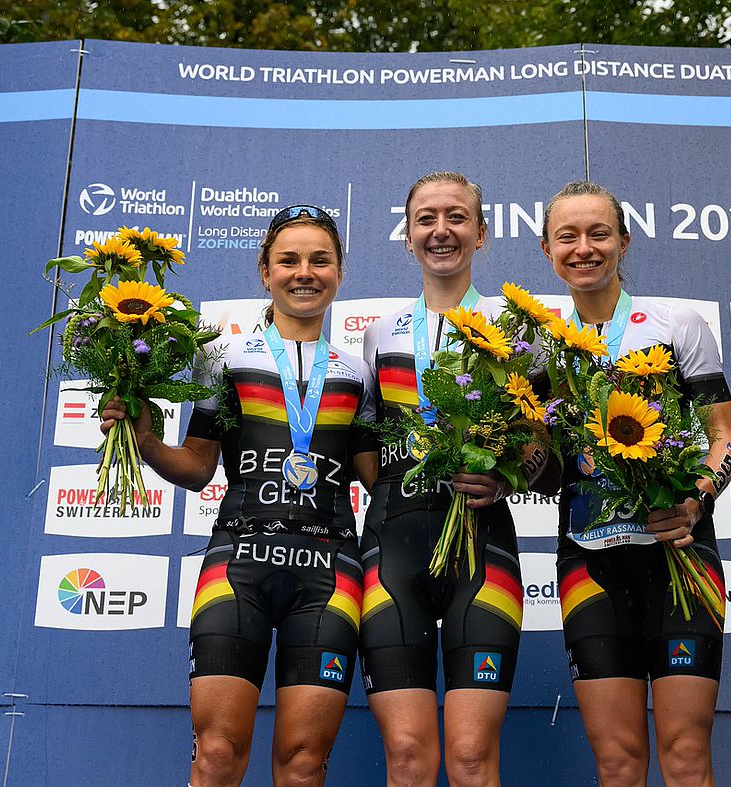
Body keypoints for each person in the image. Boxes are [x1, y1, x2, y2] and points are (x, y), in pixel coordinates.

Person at [101, 205, 378, 787]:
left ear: (340, 273)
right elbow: (199, 468)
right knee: (218, 754)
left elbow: (379, 480)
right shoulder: (221, 358)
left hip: (331, 572)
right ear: (264, 271)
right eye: (289, 260)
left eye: (320, 260)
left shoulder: (359, 372)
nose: (304, 272)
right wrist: (146, 439)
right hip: (238, 564)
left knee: (304, 764)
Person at [540, 181, 731, 787]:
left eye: (599, 233)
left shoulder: (676, 323)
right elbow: (542, 464)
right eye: (567, 236)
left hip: (680, 557)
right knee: (619, 763)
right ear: (547, 250)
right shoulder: (538, 346)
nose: (584, 248)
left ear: (623, 242)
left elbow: (724, 434)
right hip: (589, 562)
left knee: (684, 756)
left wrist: (695, 500)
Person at [359, 172, 554, 787]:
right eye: (426, 218)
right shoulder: (378, 334)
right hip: (395, 543)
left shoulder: (520, 333)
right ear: (407, 235)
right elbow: (365, 450)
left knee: (472, 759)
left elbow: (543, 452)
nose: (441, 230)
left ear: (482, 234)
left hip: (484, 545)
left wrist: (507, 480)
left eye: (456, 217)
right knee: (409, 760)